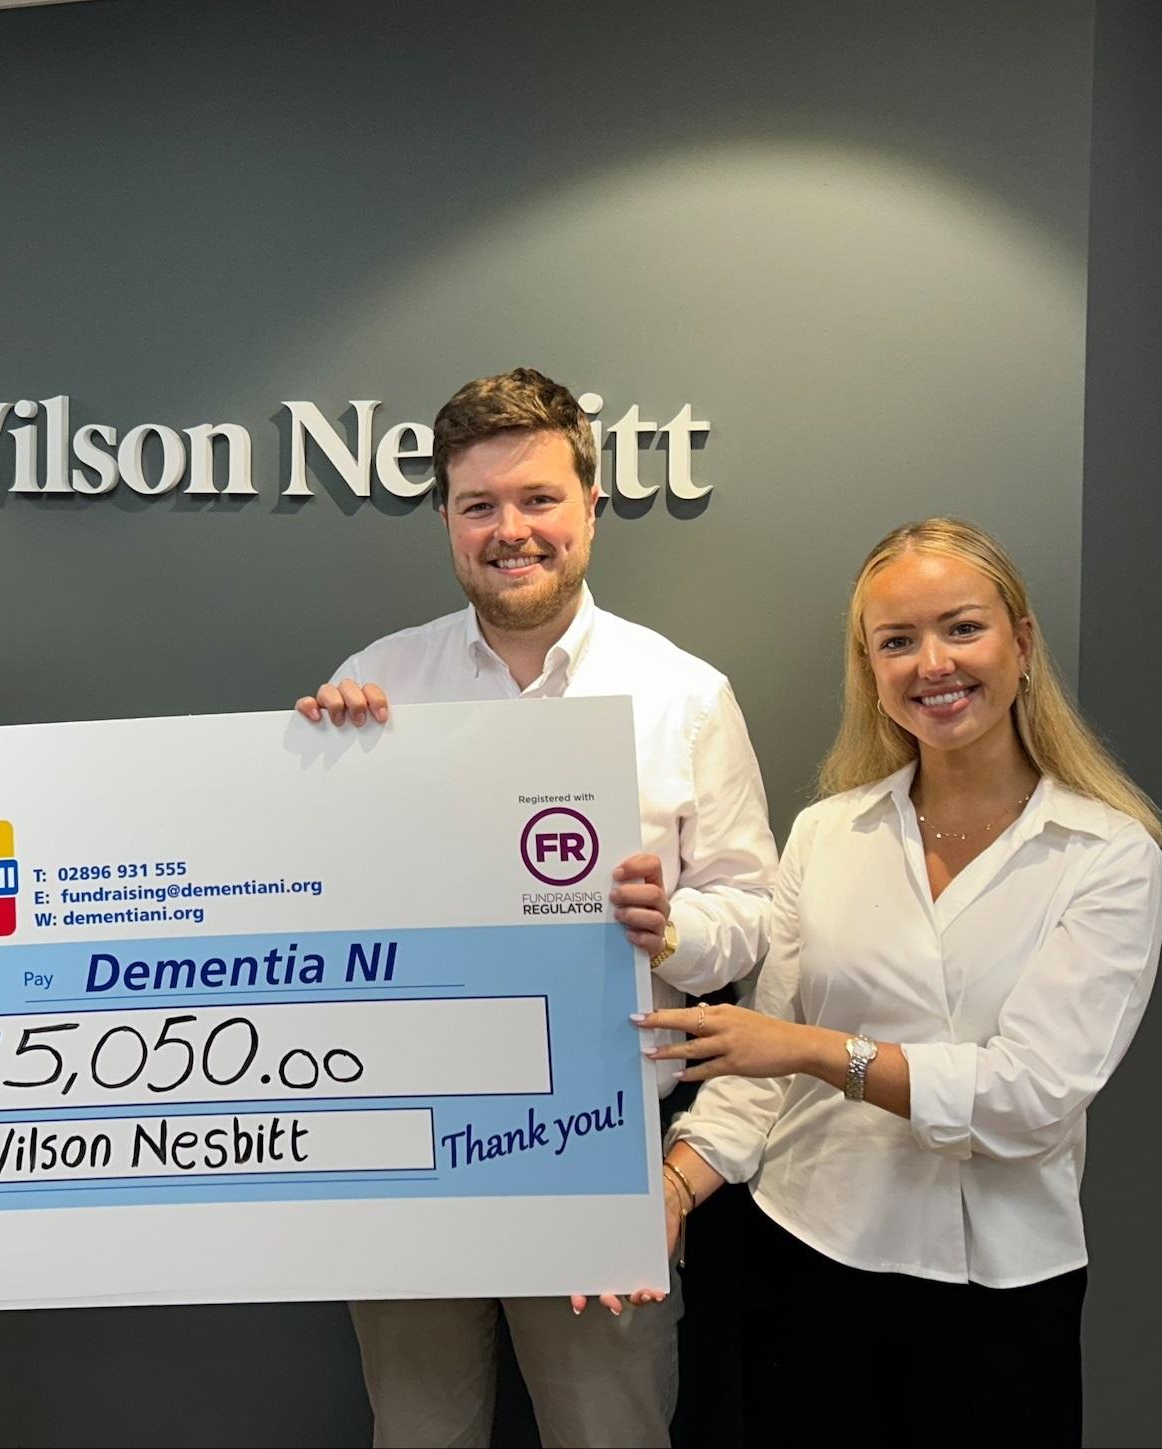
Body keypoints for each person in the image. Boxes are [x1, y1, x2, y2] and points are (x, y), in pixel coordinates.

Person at [298, 367, 777, 1448]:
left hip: (598, 1146)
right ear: (446, 520)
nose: (510, 530)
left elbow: (754, 917)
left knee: (611, 1432)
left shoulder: (684, 695)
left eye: (538, 499)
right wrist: (319, 780)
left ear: (592, 507)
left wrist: (673, 930)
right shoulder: (375, 685)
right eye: (479, 505)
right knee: (418, 1432)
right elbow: (309, 915)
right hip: (407, 1144)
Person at [645, 518, 1162, 1444]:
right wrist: (674, 1190)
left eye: (961, 627)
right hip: (801, 1258)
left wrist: (815, 1051)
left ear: (1021, 641)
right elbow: (755, 1079)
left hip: (1001, 1293)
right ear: (869, 667)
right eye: (896, 641)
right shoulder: (825, 833)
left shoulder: (1107, 856)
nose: (932, 663)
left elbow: (1027, 1098)